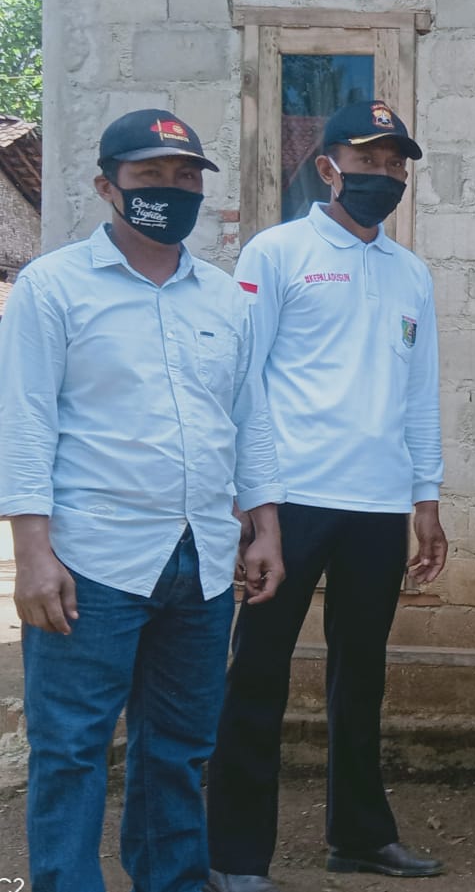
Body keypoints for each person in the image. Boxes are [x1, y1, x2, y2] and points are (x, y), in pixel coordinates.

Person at [0, 108, 285, 892]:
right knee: (71, 750)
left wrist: (265, 526)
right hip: (90, 558)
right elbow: (24, 421)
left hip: (201, 560)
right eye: (151, 175)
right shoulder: (53, 289)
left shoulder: (226, 300)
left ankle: (173, 880)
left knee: (179, 747)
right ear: (106, 186)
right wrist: (31, 553)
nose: (172, 189)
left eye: (186, 175)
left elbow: (249, 417)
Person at [205, 100, 447, 892]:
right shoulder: (277, 254)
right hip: (293, 499)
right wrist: (256, 506)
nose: (384, 177)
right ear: (327, 166)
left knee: (362, 674)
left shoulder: (411, 273)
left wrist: (426, 497)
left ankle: (359, 835)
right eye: (368, 160)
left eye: (396, 164)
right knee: (258, 674)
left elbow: (419, 394)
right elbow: (245, 385)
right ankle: (237, 854)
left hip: (378, 507)